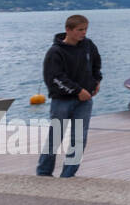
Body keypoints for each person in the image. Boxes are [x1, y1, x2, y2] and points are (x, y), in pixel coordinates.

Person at [37, 14, 101, 178]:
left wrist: (96, 81)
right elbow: (54, 78)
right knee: (55, 137)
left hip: (84, 102)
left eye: (85, 29)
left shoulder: (88, 45)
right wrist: (78, 91)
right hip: (62, 101)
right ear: (68, 30)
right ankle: (44, 173)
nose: (84, 33)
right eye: (80, 30)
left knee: (79, 140)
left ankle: (68, 175)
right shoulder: (55, 52)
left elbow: (96, 64)